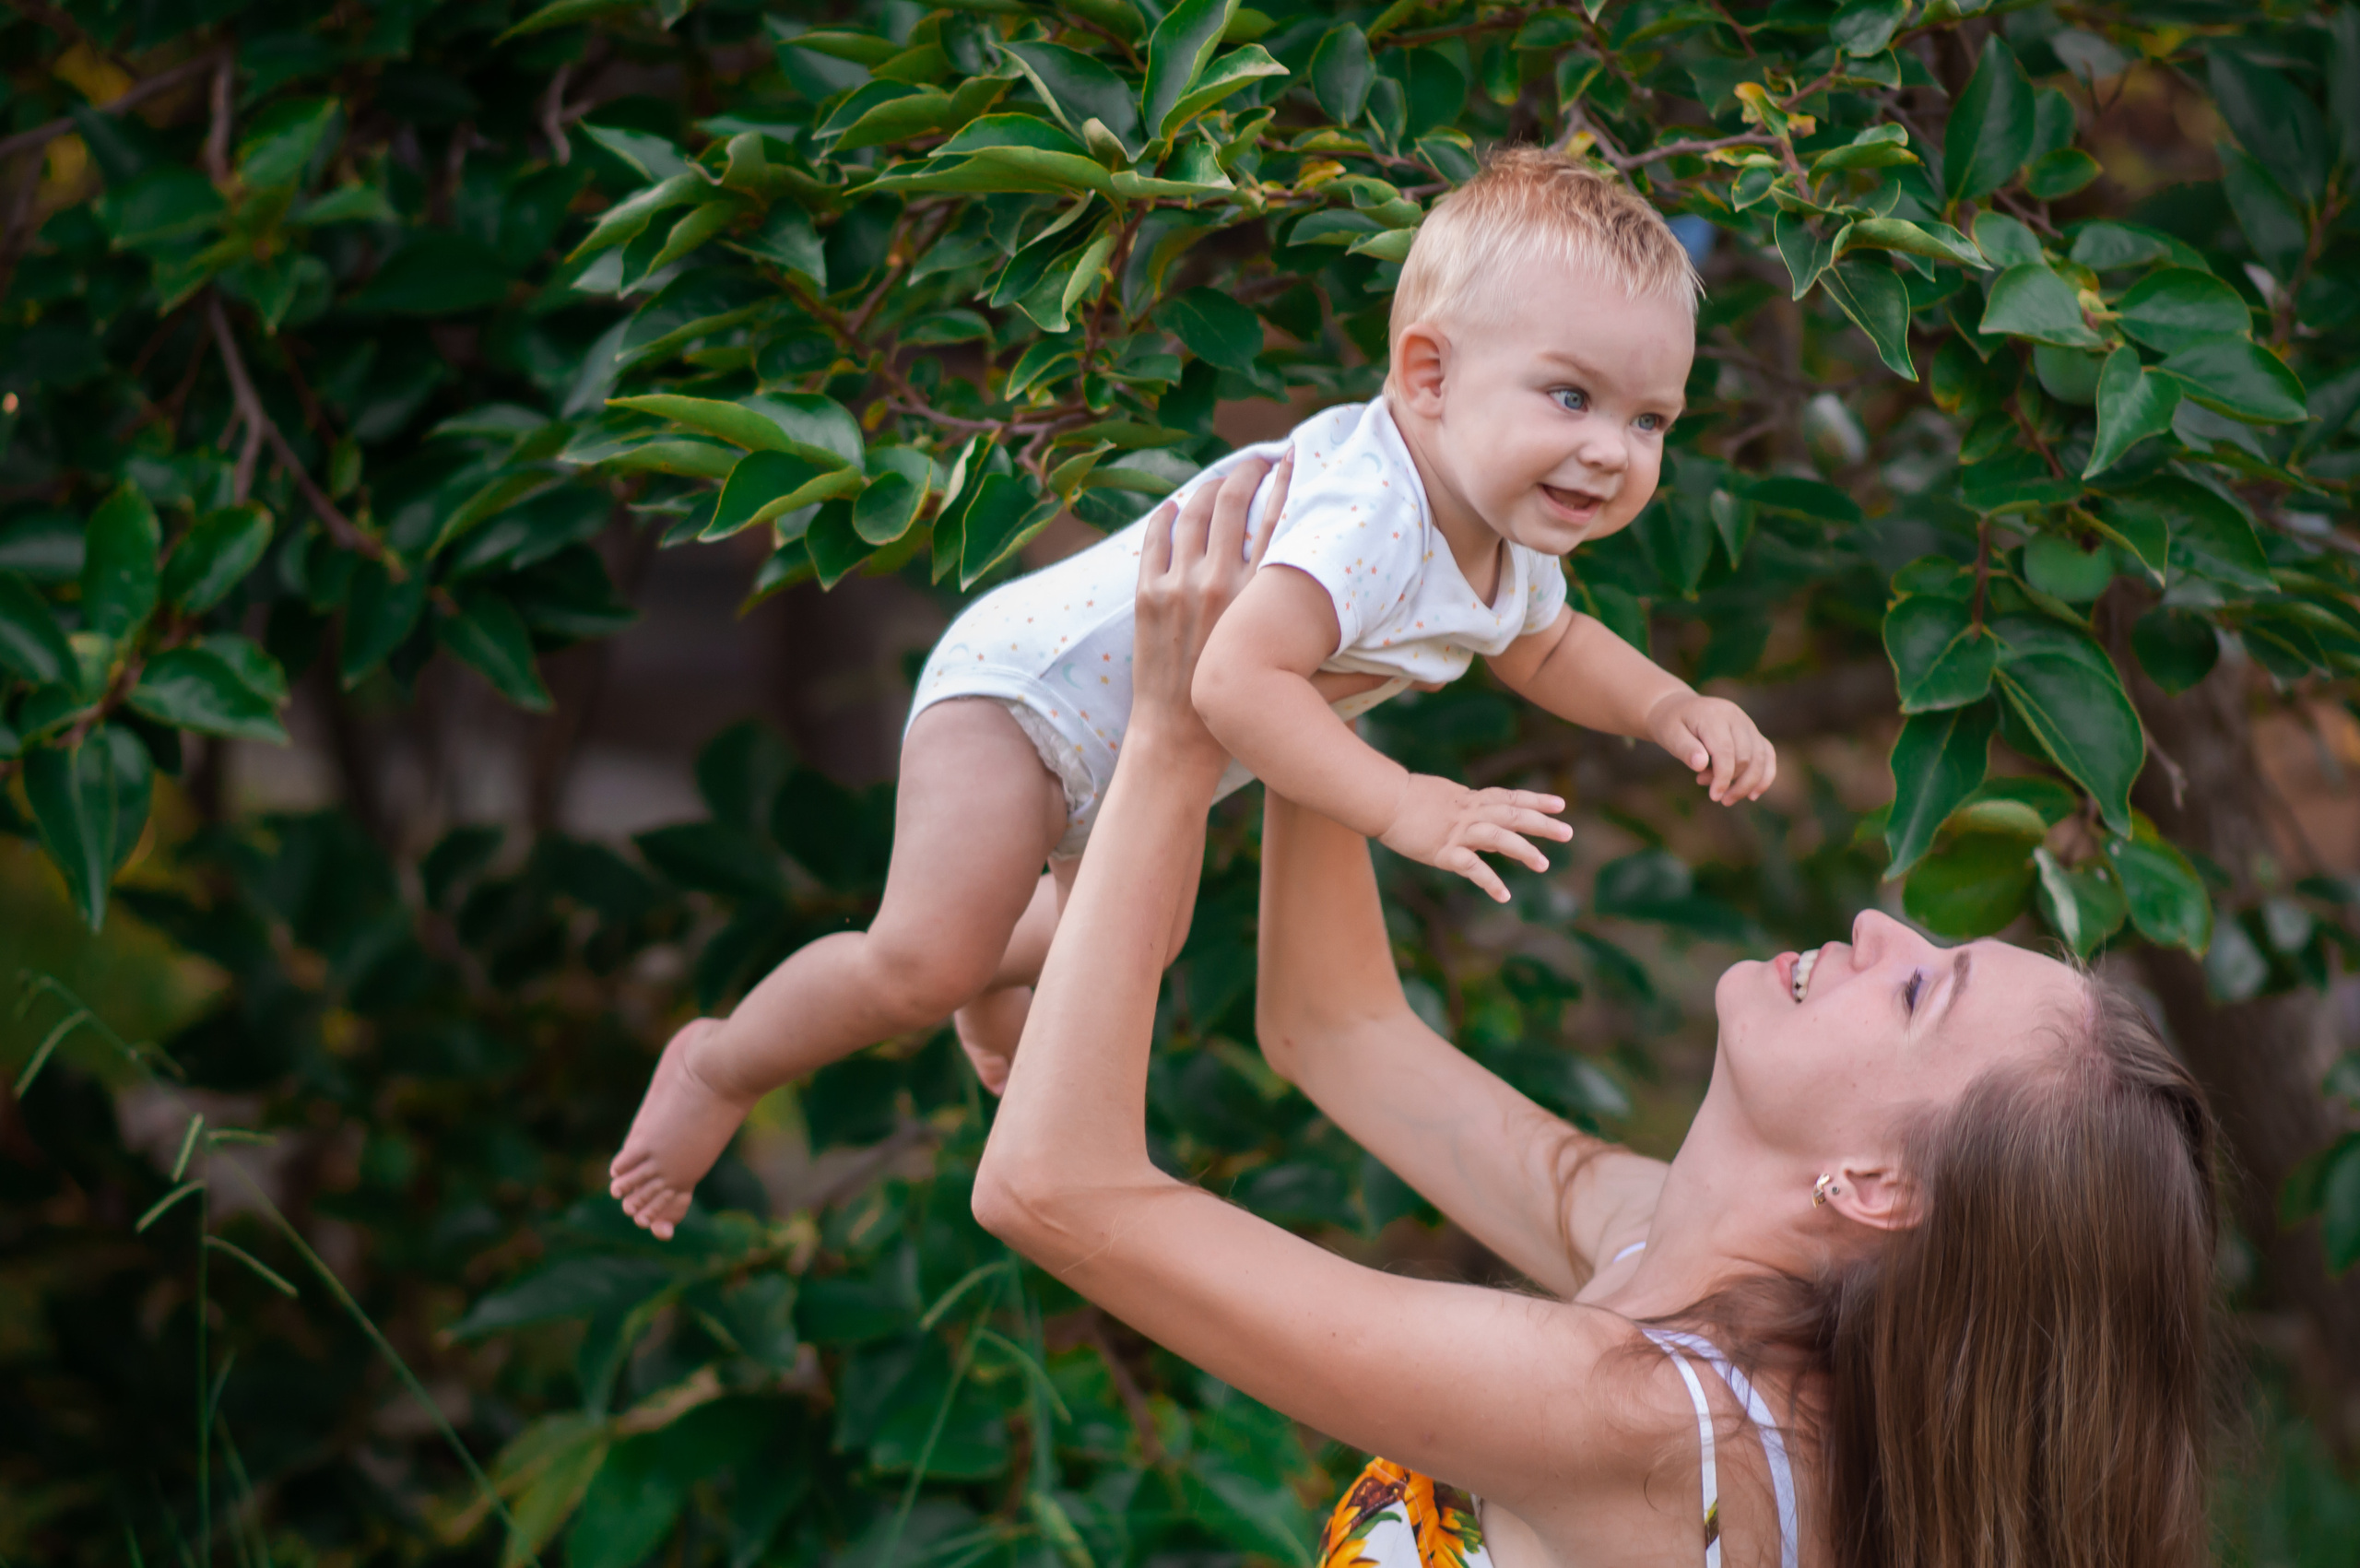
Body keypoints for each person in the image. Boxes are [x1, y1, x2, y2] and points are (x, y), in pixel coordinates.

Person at [974, 463, 2222, 1566]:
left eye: (1915, 990)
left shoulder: (1637, 1420)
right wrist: (1327, 663)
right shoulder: (1681, 1267)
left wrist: (1172, 734)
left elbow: (1054, 1190)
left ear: (1874, 1186)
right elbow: (1337, 1030)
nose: (1880, 926)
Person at [610, 148, 1775, 1242]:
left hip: (1123, 751)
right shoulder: (1369, 514)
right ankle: (721, 1061)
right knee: (921, 961)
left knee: (1138, 937)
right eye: (1570, 397)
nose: (1612, 451)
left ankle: (989, 963)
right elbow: (1231, 679)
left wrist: (1668, 707)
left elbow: (1549, 646)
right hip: (1021, 703)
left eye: (1647, 420)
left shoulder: (1496, 534)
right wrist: (1402, 803)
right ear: (1428, 376)